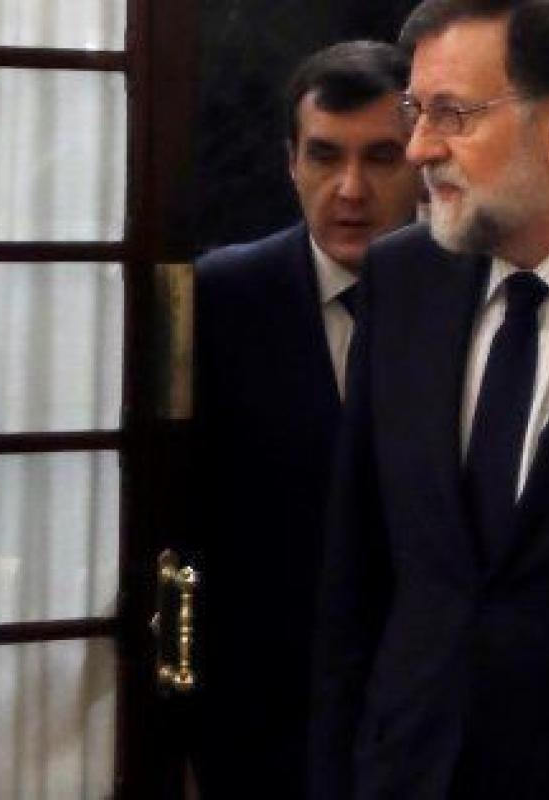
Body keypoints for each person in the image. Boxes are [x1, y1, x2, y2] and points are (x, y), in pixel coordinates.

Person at [310, 1, 549, 797]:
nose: (420, 147)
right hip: (404, 770)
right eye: (418, 112)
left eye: (452, 114)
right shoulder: (403, 279)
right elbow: (355, 575)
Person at [189, 40, 421, 799]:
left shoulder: (478, 300)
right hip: (258, 710)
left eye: (381, 157)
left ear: (423, 161)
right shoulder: (222, 297)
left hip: (418, 717)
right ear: (291, 162)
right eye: (324, 156)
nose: (350, 189)